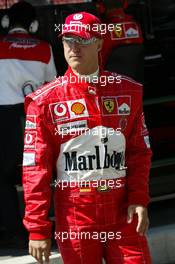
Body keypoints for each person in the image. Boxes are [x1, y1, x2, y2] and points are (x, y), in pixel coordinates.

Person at [23, 11, 152, 263]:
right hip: (75, 216)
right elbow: (35, 169)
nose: (74, 47)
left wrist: (138, 198)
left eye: (83, 40)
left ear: (100, 43)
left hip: (123, 212)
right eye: (68, 40)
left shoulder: (129, 91)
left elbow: (139, 153)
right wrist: (37, 227)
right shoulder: (43, 102)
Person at [0, 1, 56, 247]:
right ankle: (46, 226)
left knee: (2, 178)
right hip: (36, 116)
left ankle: (14, 232)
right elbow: (52, 85)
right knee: (39, 174)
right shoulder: (44, 48)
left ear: (5, 23)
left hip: (4, 119)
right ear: (33, 25)